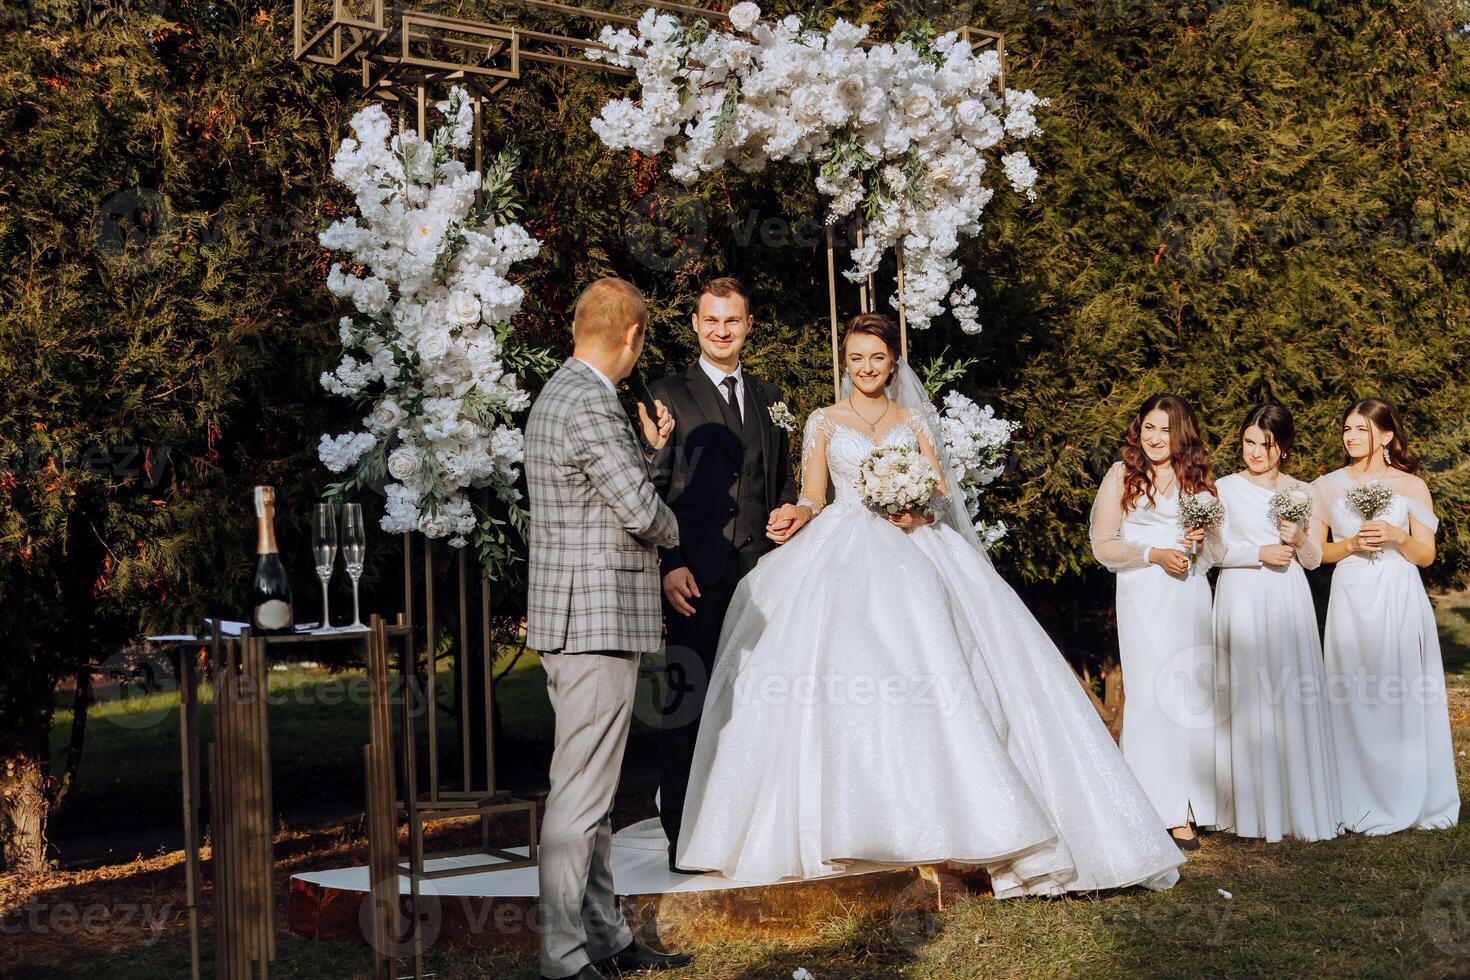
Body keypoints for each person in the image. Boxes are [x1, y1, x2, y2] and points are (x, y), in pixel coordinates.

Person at [673, 313, 1183, 896]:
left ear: (894, 362)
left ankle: (977, 822)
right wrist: (799, 513)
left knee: (945, 652)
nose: (866, 367)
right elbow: (815, 492)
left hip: (918, 545)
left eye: (877, 357)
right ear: (845, 360)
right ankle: (853, 823)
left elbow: (940, 493)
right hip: (844, 549)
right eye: (856, 357)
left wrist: (918, 510)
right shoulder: (823, 420)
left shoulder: (912, 419)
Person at [523, 277, 690, 980]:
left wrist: (647, 459)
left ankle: (605, 937)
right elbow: (642, 513)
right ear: (631, 336)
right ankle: (564, 957)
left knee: (590, 792)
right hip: (593, 622)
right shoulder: (591, 401)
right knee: (581, 797)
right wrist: (675, 525)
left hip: (580, 617)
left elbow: (605, 493)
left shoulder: (567, 392)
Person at [647, 276, 802, 871]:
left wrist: (791, 507)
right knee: (688, 705)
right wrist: (669, 563)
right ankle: (683, 837)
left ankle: (746, 829)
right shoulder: (667, 393)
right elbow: (652, 489)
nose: (721, 330)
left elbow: (784, 477)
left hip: (763, 577)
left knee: (757, 704)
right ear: (694, 323)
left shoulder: (769, 395)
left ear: (748, 325)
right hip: (695, 579)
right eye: (711, 320)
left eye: (732, 320)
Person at [1313, 398, 1458, 835]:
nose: (1351, 437)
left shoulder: (1411, 486)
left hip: (1397, 591)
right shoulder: (1326, 486)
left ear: (1387, 435)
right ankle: (1352, 795)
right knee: (1352, 689)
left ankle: (1405, 790)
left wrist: (1396, 535)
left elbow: (1426, 554)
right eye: (1346, 429)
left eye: (1360, 429)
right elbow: (1320, 553)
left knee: (1398, 690)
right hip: (1351, 593)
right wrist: (1352, 545)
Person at [1089, 394, 1223, 850]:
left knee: (1191, 693)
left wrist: (1198, 542)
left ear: (1181, 432)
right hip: (1144, 591)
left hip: (1188, 593)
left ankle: (1190, 803)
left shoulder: (1200, 480)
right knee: (1149, 694)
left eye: (1165, 429)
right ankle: (1153, 806)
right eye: (1148, 427)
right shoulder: (1122, 474)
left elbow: (1217, 553)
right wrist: (1152, 553)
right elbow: (1103, 545)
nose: (1155, 437)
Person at [1212, 404, 1340, 842]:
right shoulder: (1223, 489)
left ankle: (1295, 804)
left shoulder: (1302, 491)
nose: (1255, 452)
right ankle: (1247, 808)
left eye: (1265, 445)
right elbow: (1212, 553)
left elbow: (1313, 560)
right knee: (1247, 695)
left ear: (1282, 448)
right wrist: (1258, 553)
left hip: (1287, 598)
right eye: (1249, 442)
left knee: (1287, 691)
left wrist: (1300, 537)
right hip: (1241, 596)